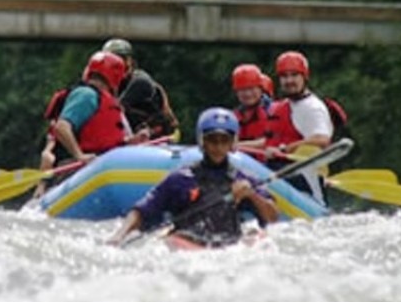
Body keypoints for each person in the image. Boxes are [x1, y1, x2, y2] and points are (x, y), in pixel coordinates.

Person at [107, 107, 278, 247]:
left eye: (224, 140)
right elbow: (142, 211)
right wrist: (119, 235)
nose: (218, 146)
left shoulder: (244, 180)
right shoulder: (180, 179)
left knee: (258, 237)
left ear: (232, 143)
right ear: (202, 142)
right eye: (212, 140)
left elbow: (272, 218)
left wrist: (253, 196)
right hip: (188, 243)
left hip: (229, 246)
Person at [36, 51, 131, 196]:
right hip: (77, 168)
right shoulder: (87, 95)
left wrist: (134, 141)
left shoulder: (106, 101)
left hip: (102, 166)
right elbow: (61, 127)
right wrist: (80, 155)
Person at [263, 50, 333, 203]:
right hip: (282, 178)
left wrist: (284, 149)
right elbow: (268, 141)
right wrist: (234, 145)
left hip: (306, 186)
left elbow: (322, 139)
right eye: (284, 76)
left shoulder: (313, 107)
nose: (289, 80)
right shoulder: (284, 106)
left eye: (294, 75)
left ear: (304, 77)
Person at [100, 38, 179, 140]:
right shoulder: (111, 85)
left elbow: (114, 111)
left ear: (130, 61)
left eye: (122, 59)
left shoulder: (140, 82)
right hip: (134, 139)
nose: (117, 65)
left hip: (156, 140)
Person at [231, 63, 272, 150]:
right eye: (242, 90)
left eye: (251, 88)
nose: (247, 94)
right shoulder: (233, 117)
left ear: (261, 89)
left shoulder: (274, 111)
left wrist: (238, 146)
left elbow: (273, 141)